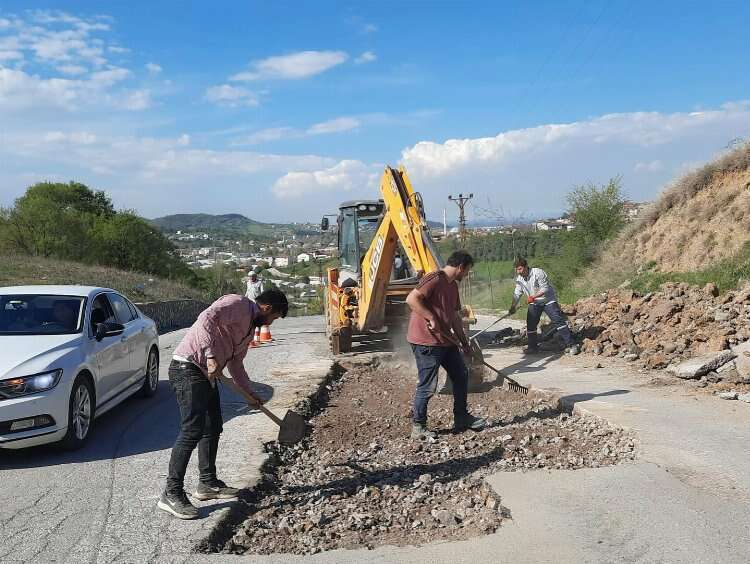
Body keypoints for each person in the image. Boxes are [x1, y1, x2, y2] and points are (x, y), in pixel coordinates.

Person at [158, 289, 289, 520]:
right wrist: (210, 356)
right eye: (274, 318)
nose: (271, 323)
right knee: (192, 430)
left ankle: (207, 483)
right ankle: (171, 492)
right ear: (268, 308)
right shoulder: (238, 304)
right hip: (187, 367)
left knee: (213, 427)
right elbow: (205, 318)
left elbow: (236, 365)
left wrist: (250, 394)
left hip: (207, 375)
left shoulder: (249, 331)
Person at [405, 250, 487, 440]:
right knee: (428, 384)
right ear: (461, 267)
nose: (467, 274)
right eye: (467, 271)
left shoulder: (453, 287)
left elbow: (455, 318)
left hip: (445, 340)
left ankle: (461, 417)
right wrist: (431, 317)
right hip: (426, 341)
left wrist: (464, 342)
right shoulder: (434, 278)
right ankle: (418, 426)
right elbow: (411, 299)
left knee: (460, 375)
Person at [508, 257, 580, 355]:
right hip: (534, 303)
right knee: (531, 325)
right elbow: (517, 294)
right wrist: (513, 306)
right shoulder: (519, 279)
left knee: (558, 320)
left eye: (520, 269)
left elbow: (545, 288)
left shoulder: (538, 272)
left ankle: (572, 345)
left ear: (526, 266)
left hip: (548, 300)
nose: (518, 272)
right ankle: (533, 347)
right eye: (517, 269)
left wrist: (533, 297)